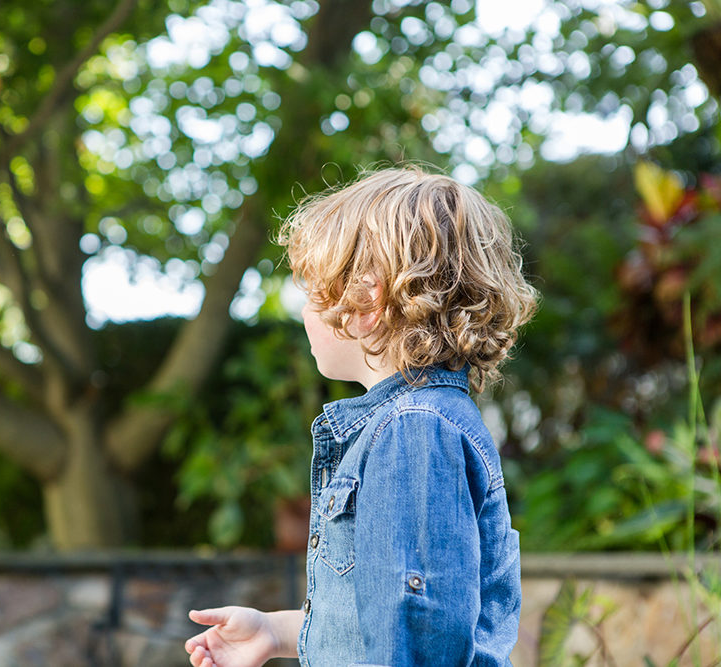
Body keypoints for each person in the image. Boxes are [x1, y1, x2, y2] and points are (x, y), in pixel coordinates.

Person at [184, 166, 539, 667]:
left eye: (313, 290)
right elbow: (375, 614)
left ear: (366, 299)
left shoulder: (412, 430)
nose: (305, 311)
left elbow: (416, 637)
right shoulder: (416, 425)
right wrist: (273, 632)